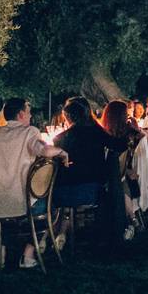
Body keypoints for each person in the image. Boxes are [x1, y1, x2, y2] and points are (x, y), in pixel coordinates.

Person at [0, 98, 69, 269]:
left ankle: (1, 253)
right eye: (28, 111)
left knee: (10, 214)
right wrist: (62, 152)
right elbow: (44, 150)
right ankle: (28, 255)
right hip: (25, 202)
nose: (30, 115)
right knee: (50, 205)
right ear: (21, 114)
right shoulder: (29, 132)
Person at [53, 97, 128, 244]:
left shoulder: (60, 139)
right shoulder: (97, 132)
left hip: (61, 194)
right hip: (92, 190)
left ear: (68, 117)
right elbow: (119, 145)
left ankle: (58, 231)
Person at [100, 100, 148, 239]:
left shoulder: (106, 135)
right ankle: (132, 220)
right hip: (126, 173)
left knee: (120, 181)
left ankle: (131, 221)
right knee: (122, 182)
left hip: (111, 175)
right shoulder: (131, 133)